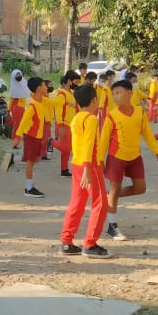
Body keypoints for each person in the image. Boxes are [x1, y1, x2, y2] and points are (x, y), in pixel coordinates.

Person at [99, 79, 158, 241]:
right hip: (117, 156)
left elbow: (147, 134)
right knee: (115, 188)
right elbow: (104, 140)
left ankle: (109, 197)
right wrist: (100, 160)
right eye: (113, 94)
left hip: (135, 156)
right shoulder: (112, 115)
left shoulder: (139, 112)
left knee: (140, 188)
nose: (115, 97)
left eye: (118, 93)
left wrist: (157, 151)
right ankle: (112, 226)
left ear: (130, 93)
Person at [58, 84, 110, 259]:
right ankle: (90, 244)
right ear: (94, 100)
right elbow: (88, 144)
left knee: (77, 203)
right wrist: (88, 168)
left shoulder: (76, 118)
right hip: (89, 166)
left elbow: (78, 146)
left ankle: (66, 241)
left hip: (77, 164)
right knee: (100, 203)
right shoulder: (91, 119)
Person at [12, 77, 49, 198]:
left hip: (37, 137)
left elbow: (55, 102)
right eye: (44, 85)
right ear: (39, 88)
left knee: (35, 159)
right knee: (31, 160)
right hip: (31, 137)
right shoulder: (32, 106)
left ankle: (29, 184)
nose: (46, 87)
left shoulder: (42, 101)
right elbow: (23, 122)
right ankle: (28, 188)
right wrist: (17, 137)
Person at [52, 70, 80, 177]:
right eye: (75, 81)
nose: (77, 84)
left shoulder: (72, 94)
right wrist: (60, 124)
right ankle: (51, 142)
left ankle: (64, 169)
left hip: (71, 123)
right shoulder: (61, 94)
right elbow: (58, 110)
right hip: (63, 124)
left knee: (67, 150)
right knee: (66, 148)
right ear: (69, 81)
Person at [8, 68, 31, 136]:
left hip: (23, 107)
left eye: (19, 74)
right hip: (16, 107)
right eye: (17, 75)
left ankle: (21, 135)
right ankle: (15, 138)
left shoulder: (23, 83)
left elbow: (29, 92)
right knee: (17, 123)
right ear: (13, 76)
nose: (19, 76)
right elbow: (11, 99)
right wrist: (8, 110)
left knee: (24, 122)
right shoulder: (13, 87)